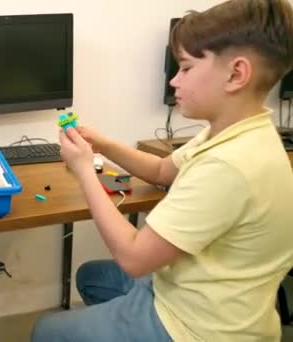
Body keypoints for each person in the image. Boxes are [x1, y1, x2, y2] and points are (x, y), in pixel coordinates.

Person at [32, 0, 293, 341]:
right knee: (91, 277)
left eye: (185, 68)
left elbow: (134, 258)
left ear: (236, 74)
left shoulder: (227, 166)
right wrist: (103, 145)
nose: (173, 81)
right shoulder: (237, 131)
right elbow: (160, 170)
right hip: (197, 295)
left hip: (196, 328)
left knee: (46, 330)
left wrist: (83, 169)